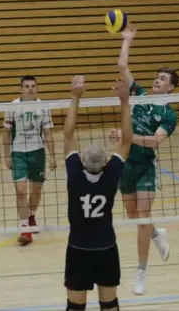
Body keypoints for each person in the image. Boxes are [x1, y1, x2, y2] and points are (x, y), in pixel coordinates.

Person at [114, 24, 177, 295]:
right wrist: (127, 40)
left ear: (171, 88)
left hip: (146, 166)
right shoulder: (139, 96)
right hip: (126, 164)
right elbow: (122, 66)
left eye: (163, 79)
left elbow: (155, 141)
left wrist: (125, 136)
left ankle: (141, 272)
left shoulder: (169, 114)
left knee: (141, 216)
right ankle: (155, 234)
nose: (157, 80)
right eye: (157, 76)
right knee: (132, 215)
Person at [63, 74, 132, 311]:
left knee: (75, 306)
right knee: (109, 303)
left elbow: (68, 135)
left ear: (81, 160)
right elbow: (127, 141)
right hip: (105, 248)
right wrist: (124, 102)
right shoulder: (111, 176)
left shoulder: (74, 176)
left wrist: (75, 96)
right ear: (105, 163)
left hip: (78, 249)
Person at [2, 75, 57, 245]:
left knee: (36, 191)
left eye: (33, 86)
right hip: (18, 154)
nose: (30, 88)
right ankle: (25, 229)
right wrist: (6, 155)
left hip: (38, 153)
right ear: (21, 89)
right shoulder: (13, 107)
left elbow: (48, 133)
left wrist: (52, 156)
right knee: (20, 191)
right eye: (26, 86)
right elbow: (5, 133)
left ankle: (31, 215)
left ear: (37, 89)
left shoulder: (43, 107)